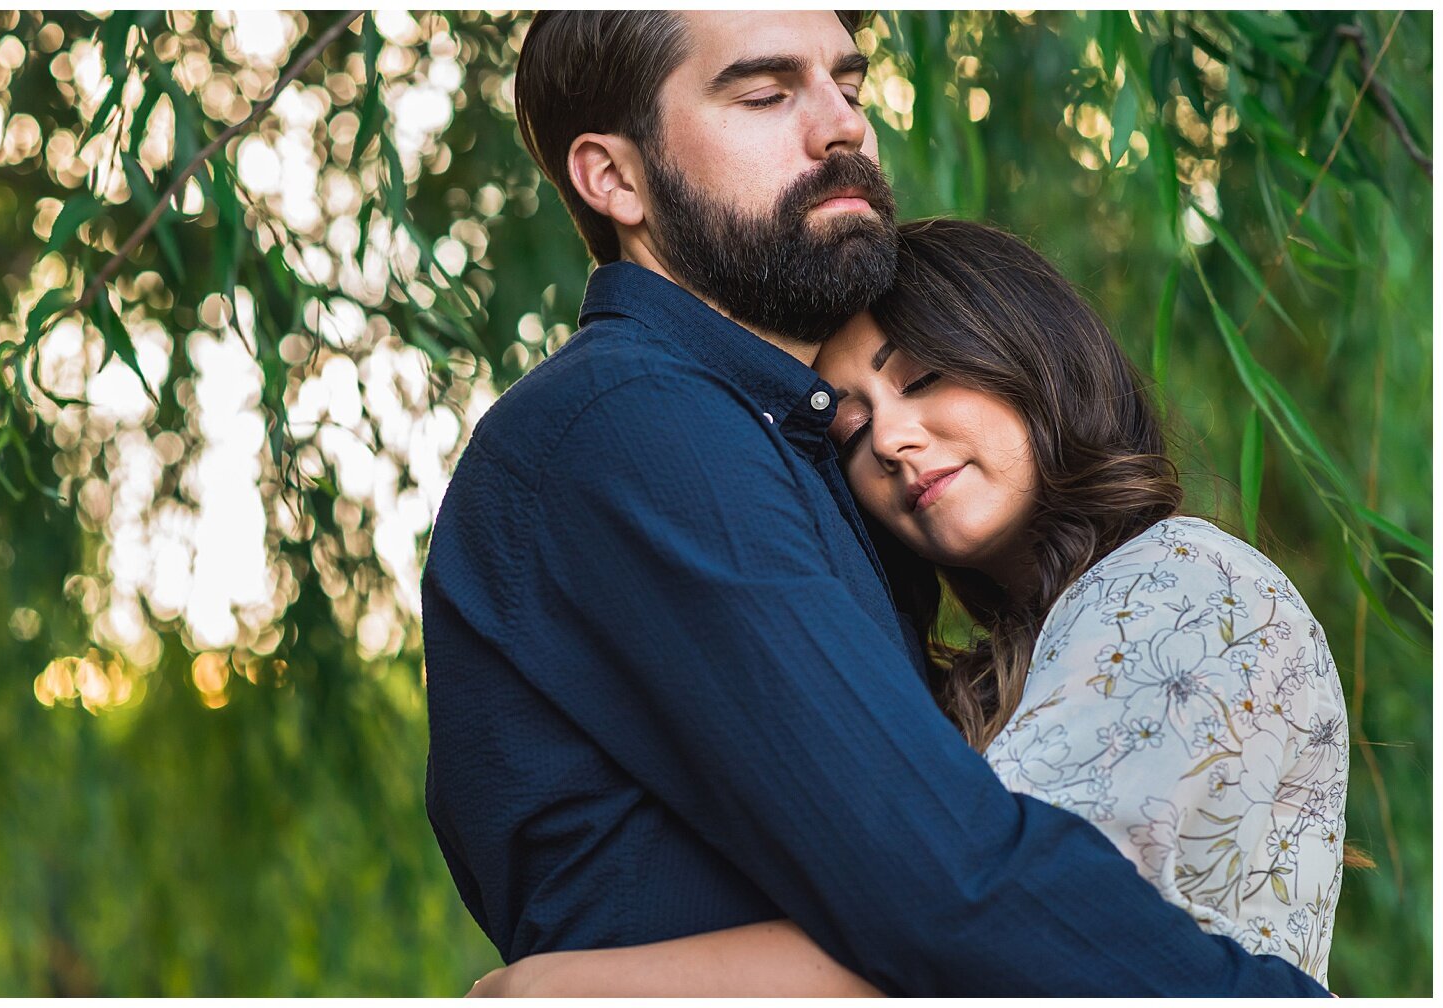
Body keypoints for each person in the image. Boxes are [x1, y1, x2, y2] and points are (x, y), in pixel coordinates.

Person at [422, 10, 1329, 995]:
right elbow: (939, 884)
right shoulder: (639, 421)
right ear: (615, 178)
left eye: (849, 87)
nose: (841, 126)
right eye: (767, 95)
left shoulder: (773, 446)